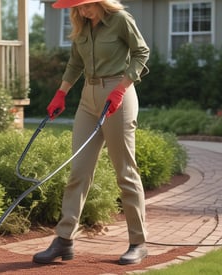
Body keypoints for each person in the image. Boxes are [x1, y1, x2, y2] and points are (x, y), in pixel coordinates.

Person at [32, 0, 150, 265]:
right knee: (78, 172)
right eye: (77, 7)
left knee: (125, 171)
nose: (82, 11)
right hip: (88, 98)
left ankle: (138, 242)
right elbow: (75, 63)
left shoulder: (120, 20)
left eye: (85, 5)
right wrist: (61, 92)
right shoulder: (82, 26)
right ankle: (64, 240)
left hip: (118, 94)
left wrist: (122, 87)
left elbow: (142, 53)